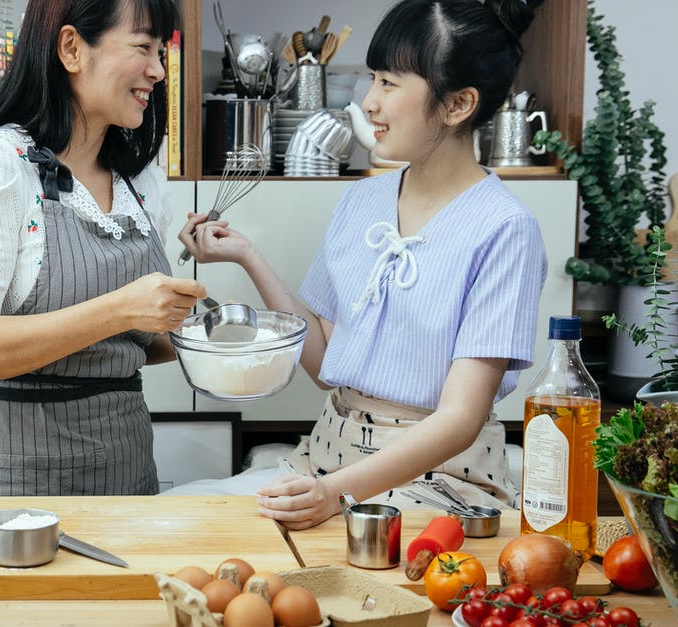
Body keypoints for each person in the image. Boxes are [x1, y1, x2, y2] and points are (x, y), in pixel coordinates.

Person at [175, 0, 548, 529]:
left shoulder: (505, 229)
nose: (369, 102)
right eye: (374, 79)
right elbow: (327, 366)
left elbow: (461, 419)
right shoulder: (361, 202)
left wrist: (332, 495)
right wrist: (246, 256)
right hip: (327, 456)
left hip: (441, 482)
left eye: (390, 84)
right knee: (189, 518)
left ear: (459, 103)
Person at [0, 0, 204, 503]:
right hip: (6, 489)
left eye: (162, 52)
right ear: (72, 48)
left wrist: (197, 330)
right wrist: (122, 308)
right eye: (143, 47)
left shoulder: (141, 187)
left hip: (125, 476)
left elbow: (138, 346)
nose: (159, 71)